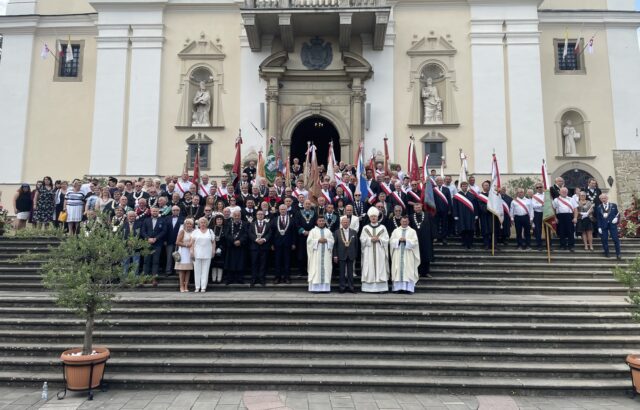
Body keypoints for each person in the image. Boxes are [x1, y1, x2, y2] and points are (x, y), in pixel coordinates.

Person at [360, 207, 389, 293]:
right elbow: (362, 239)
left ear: (377, 217)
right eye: (372, 216)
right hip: (368, 252)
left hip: (380, 251)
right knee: (369, 267)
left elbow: (387, 240)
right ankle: (368, 288)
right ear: (369, 218)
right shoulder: (365, 228)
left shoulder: (383, 228)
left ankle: (381, 288)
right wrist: (370, 240)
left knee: (380, 267)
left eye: (375, 216)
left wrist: (379, 239)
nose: (373, 218)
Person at [389, 216, 420, 294]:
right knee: (397, 270)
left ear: (408, 222)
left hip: (408, 254)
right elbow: (391, 241)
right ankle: (397, 288)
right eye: (403, 221)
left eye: (406, 221)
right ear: (400, 222)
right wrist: (398, 240)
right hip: (398, 253)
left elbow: (415, 243)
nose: (404, 223)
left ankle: (408, 289)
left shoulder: (412, 231)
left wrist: (406, 240)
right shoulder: (396, 231)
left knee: (408, 271)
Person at [307, 216, 335, 293]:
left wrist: (327, 240)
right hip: (316, 255)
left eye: (323, 221)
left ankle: (325, 288)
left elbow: (332, 241)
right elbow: (309, 242)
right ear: (317, 222)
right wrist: (318, 240)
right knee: (315, 270)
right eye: (320, 221)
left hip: (326, 254)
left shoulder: (328, 231)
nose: (321, 222)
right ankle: (315, 288)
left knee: (326, 269)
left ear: (325, 222)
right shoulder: (312, 231)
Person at [271, 204, 296, 284]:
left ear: (286, 210)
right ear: (279, 210)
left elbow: (294, 233)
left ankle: (287, 277)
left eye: (284, 209)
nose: (283, 211)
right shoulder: (275, 219)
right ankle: (277, 277)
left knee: (287, 261)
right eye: (281, 209)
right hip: (277, 244)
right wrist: (272, 244)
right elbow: (272, 233)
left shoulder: (291, 220)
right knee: (277, 261)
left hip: (288, 244)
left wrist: (293, 243)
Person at [141, 206, 167, 286]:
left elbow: (164, 231)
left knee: (155, 261)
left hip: (157, 243)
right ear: (150, 212)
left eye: (156, 211)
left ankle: (154, 279)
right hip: (147, 243)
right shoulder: (146, 220)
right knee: (146, 261)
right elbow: (142, 231)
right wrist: (148, 238)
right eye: (153, 211)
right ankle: (144, 279)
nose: (154, 212)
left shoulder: (162, 220)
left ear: (158, 212)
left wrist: (156, 238)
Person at [333, 216, 358, 293]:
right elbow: (335, 245)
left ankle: (351, 287)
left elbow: (356, 245)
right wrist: (335, 255)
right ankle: (342, 288)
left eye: (347, 222)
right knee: (342, 272)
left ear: (349, 223)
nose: (345, 223)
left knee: (350, 273)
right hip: (341, 254)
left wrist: (355, 254)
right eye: (344, 222)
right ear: (341, 223)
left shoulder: (354, 232)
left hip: (351, 255)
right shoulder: (337, 232)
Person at [190, 217, 215, 292]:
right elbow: (192, 243)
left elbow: (213, 242)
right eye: (201, 222)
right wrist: (191, 251)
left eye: (204, 222)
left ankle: (203, 287)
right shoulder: (195, 232)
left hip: (207, 253)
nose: (203, 224)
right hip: (197, 253)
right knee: (197, 271)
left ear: (206, 223)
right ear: (199, 224)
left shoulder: (210, 231)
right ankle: (197, 287)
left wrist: (213, 251)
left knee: (205, 271)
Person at [248, 210, 272, 287]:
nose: (260, 215)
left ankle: (262, 279)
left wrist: (264, 239)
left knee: (263, 263)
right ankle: (254, 279)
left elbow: (269, 233)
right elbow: (250, 233)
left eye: (262, 214)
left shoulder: (268, 224)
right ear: (256, 215)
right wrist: (256, 239)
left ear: (264, 215)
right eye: (259, 214)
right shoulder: (252, 224)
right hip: (254, 247)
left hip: (264, 247)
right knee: (254, 263)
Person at [223, 210, 247, 285]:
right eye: (235, 215)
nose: (237, 217)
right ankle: (230, 279)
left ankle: (240, 278)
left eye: (238, 215)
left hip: (241, 246)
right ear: (233, 216)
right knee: (230, 263)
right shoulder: (228, 224)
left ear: (240, 216)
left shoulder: (245, 224)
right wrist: (233, 241)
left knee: (240, 262)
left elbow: (246, 234)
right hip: (231, 246)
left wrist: (240, 241)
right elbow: (226, 234)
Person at [409, 202, 433, 277]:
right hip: (416, 240)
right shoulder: (411, 217)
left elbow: (432, 225)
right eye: (416, 207)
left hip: (426, 239)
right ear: (414, 209)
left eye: (419, 207)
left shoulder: (427, 215)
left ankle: (426, 272)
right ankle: (418, 272)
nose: (418, 209)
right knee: (417, 255)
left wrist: (433, 236)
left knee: (426, 255)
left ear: (421, 207)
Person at [595, 194, 621, 259]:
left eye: (604, 198)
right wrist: (599, 227)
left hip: (612, 224)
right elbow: (598, 218)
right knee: (604, 240)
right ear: (600, 199)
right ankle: (607, 253)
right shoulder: (598, 207)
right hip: (603, 225)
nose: (603, 200)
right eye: (602, 198)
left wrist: (616, 219)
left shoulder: (613, 205)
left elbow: (618, 214)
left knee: (615, 239)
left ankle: (618, 254)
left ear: (607, 198)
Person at [452, 181, 477, 249]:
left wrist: (476, 215)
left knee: (470, 229)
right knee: (463, 229)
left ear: (467, 187)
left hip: (470, 215)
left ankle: (470, 243)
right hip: (461, 215)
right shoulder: (457, 196)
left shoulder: (472, 195)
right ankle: (464, 243)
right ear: (461, 187)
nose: (464, 187)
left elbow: (475, 206)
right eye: (463, 186)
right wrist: (455, 215)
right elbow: (455, 206)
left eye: (466, 186)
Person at [552, 187, 578, 251]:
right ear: (559, 192)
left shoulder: (571, 199)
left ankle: (571, 246)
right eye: (562, 191)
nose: (564, 193)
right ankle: (562, 245)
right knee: (561, 231)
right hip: (560, 216)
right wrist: (555, 218)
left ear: (567, 192)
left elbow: (575, 209)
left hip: (569, 216)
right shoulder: (556, 200)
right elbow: (553, 210)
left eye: (565, 191)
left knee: (570, 231)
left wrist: (575, 217)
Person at [121, 210, 143, 275]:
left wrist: (134, 242)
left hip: (136, 246)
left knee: (135, 263)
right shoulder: (123, 225)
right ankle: (124, 278)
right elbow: (121, 235)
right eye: (130, 216)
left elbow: (141, 235)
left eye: (133, 216)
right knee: (125, 262)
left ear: (135, 216)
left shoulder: (140, 224)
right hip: (126, 246)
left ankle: (135, 278)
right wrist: (127, 242)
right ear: (127, 217)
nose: (131, 218)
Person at [165, 206, 185, 276]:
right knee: (169, 257)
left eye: (177, 210)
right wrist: (165, 240)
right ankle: (168, 271)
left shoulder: (183, 219)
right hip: (169, 240)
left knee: (178, 256)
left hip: (179, 241)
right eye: (174, 210)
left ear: (179, 211)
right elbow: (165, 230)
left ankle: (177, 271)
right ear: (171, 211)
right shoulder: (167, 218)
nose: (175, 211)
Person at [433, 176, 452, 245]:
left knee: (444, 224)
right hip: (436, 210)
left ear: (443, 181)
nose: (440, 182)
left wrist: (449, 209)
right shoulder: (433, 189)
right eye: (438, 181)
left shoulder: (446, 189)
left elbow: (449, 200)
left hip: (445, 210)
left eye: (441, 181)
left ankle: (444, 238)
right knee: (436, 224)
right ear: (436, 182)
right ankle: (437, 237)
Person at [210, 215, 226, 283]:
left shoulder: (225, 228)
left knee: (220, 264)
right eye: (217, 219)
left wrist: (220, 248)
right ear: (215, 220)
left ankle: (219, 278)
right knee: (213, 263)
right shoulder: (211, 229)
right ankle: (214, 278)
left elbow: (226, 239)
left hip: (221, 248)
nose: (219, 220)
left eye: (220, 219)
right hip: (212, 248)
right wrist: (213, 248)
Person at [532, 183, 545, 250]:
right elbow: (533, 206)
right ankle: (539, 244)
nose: (539, 188)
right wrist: (541, 205)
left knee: (547, 229)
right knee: (538, 229)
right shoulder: (534, 196)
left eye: (540, 187)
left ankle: (548, 244)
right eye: (537, 187)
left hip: (546, 213)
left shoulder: (546, 195)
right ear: (536, 189)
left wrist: (539, 204)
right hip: (537, 213)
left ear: (543, 187)